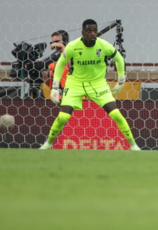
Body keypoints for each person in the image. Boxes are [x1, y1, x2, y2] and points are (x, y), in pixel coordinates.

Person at [40, 19, 139, 151]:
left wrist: (121, 81)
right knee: (63, 117)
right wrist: (55, 88)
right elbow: (60, 64)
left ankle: (134, 146)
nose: (92, 33)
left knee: (116, 114)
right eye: (89, 31)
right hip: (75, 84)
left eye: (94, 31)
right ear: (83, 32)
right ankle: (48, 144)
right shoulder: (73, 46)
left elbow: (119, 58)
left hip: (98, 84)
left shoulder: (104, 45)